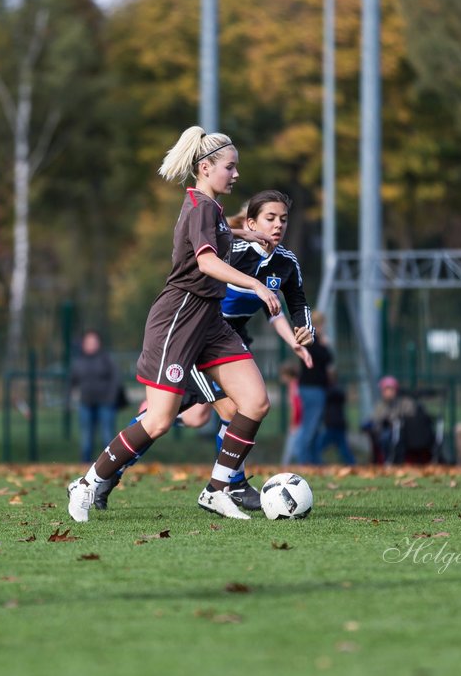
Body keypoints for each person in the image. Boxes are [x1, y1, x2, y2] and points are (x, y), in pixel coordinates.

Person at [66, 125, 282, 522]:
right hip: (179, 319)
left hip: (210, 321)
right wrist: (254, 283)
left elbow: (216, 235)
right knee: (160, 419)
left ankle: (217, 489)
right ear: (204, 168)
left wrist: (244, 232)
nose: (236, 175)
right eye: (229, 168)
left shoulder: (211, 210)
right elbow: (206, 261)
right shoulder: (200, 207)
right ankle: (87, 482)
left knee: (254, 402)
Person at [92, 190, 314, 509]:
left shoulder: (285, 262)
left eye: (283, 219)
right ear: (252, 222)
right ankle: (228, 484)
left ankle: (127, 460)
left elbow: (289, 304)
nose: (278, 225)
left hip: (231, 343)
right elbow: (202, 254)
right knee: (224, 411)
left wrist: (302, 333)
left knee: (195, 416)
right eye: (270, 218)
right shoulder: (231, 253)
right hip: (197, 338)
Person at [69, 330, 120, 463]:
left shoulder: (106, 359)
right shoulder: (79, 361)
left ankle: (109, 466)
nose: (91, 345)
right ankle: (85, 466)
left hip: (106, 404)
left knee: (107, 438)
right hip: (86, 403)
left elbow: (115, 380)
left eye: (94, 342)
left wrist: (111, 398)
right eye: (88, 342)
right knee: (86, 439)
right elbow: (72, 381)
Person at [292, 313, 335, 464]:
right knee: (310, 426)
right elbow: (326, 357)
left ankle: (314, 461)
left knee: (315, 427)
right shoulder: (311, 340)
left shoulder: (312, 340)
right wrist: (325, 344)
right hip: (312, 388)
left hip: (314, 388)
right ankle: (304, 461)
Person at [362, 375, 421, 464]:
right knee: (383, 437)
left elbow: (410, 416)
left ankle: (393, 460)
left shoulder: (404, 403)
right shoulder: (380, 405)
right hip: (384, 432)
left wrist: (396, 419)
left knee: (390, 438)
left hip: (402, 433)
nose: (388, 392)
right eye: (385, 390)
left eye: (390, 390)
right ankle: (385, 460)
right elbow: (374, 419)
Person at [319, 383, 356, 465]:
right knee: (343, 448)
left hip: (335, 425)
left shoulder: (330, 392)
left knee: (320, 446)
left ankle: (352, 463)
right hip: (334, 425)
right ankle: (352, 463)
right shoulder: (333, 392)